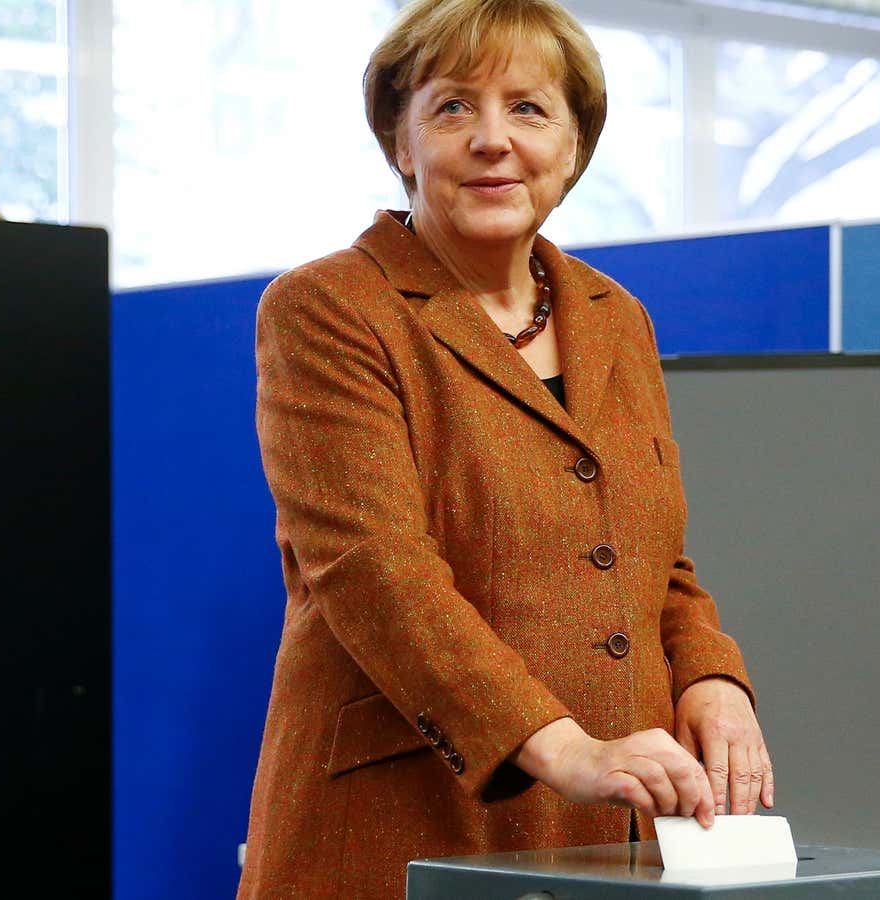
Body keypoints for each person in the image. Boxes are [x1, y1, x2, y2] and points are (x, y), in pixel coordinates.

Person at [239, 1, 773, 896]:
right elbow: (374, 570)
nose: (494, 139)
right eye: (453, 108)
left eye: (528, 109)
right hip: (407, 819)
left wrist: (713, 679)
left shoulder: (617, 319)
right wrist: (562, 747)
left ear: (573, 147)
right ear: (401, 144)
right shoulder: (327, 308)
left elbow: (654, 560)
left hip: (607, 823)